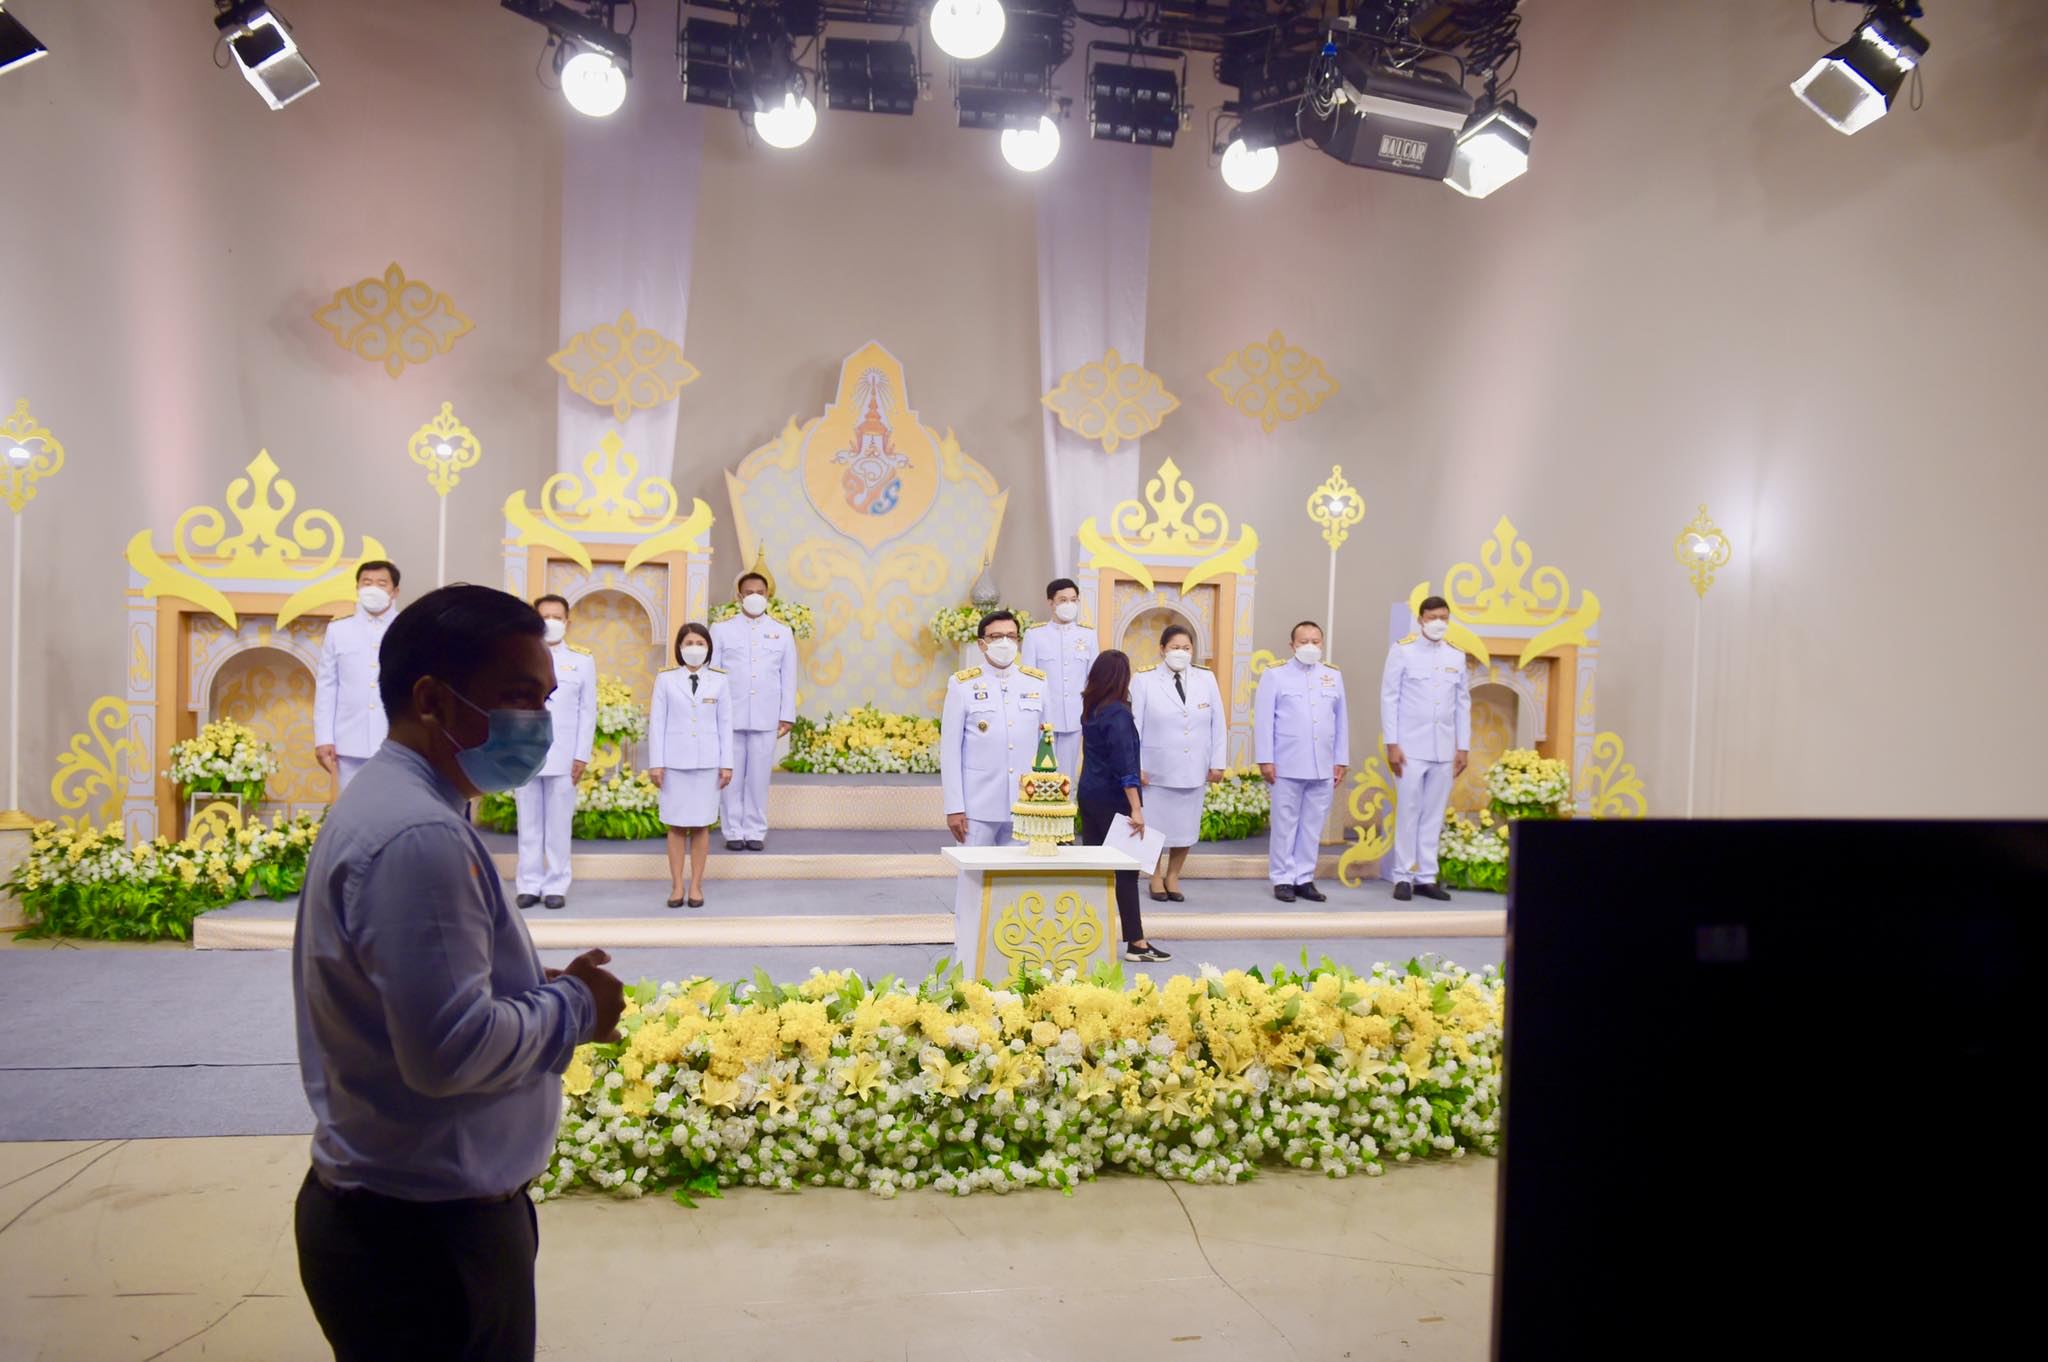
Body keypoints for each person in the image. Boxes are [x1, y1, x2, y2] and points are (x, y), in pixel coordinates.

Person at [292, 582, 627, 1362]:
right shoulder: (418, 835)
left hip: (411, 1214)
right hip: (423, 1240)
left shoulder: (402, 803)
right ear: (432, 699)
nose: (537, 722)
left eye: (546, 700)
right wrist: (576, 1006)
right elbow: (448, 1051)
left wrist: (525, 986)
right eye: (517, 697)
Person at [1077, 650, 1170, 963]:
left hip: (1089, 794)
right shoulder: (1118, 713)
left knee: (1095, 869)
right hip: (1113, 798)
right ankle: (1137, 943)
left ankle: (1087, 938)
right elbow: (1124, 764)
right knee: (1127, 872)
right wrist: (1136, 808)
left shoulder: (1091, 709)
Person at [1380, 595, 1471, 902]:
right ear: (1420, 620)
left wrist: (1463, 746)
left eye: (1443, 617)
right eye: (1432, 618)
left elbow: (1462, 704)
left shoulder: (1456, 656)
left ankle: (1426, 877)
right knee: (1408, 811)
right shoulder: (1403, 651)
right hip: (1409, 747)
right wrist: (1392, 743)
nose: (1438, 623)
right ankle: (1403, 876)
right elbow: (1389, 698)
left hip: (1443, 748)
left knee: (1434, 814)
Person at [1254, 621, 1350, 903]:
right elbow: (1264, 721)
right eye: (1304, 641)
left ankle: (1304, 878)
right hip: (1286, 763)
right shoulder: (1275, 675)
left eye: (1315, 641)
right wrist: (1265, 759)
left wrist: (1341, 759)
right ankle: (1283, 878)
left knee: (1312, 826)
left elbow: (1341, 721)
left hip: (1323, 764)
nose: (1310, 646)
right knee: (1284, 825)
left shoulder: (1333, 676)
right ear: (1292, 645)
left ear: (1322, 643)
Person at [1131, 623, 1228, 902]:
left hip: (1193, 767)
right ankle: (1155, 876)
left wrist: (1218, 762)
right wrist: (1135, 766)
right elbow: (1134, 728)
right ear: (1162, 649)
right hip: (1155, 770)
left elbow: (1218, 723)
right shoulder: (1144, 680)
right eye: (1175, 647)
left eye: (1186, 648)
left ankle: (1173, 875)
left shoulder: (1206, 679)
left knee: (1185, 829)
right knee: (1153, 829)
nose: (1181, 652)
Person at [513, 595, 596, 911]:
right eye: (545, 616)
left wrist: (581, 754)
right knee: (529, 823)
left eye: (557, 617)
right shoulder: (519, 658)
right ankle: (529, 884)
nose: (551, 622)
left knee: (559, 825)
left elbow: (588, 711)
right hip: (526, 753)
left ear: (567, 622)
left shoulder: (582, 662)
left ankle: (556, 884)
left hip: (564, 755)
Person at [940, 610, 1048, 846]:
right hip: (977, 806)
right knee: (974, 870)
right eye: (997, 637)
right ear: (982, 644)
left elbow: (1047, 744)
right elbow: (950, 751)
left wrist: (1046, 800)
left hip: (1025, 803)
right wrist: (954, 806)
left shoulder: (1037, 683)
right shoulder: (962, 685)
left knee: (1020, 870)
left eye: (1011, 636)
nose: (1005, 642)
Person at [710, 567, 796, 851]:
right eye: (749, 592)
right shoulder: (721, 630)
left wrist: (787, 715)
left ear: (768, 595)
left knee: (759, 778)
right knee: (730, 777)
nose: (755, 597)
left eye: (760, 592)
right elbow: (713, 675)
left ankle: (755, 830)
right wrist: (713, 713)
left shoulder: (782, 632)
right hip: (730, 716)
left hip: (766, 716)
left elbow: (788, 676)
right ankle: (733, 831)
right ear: (739, 596)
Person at [648, 623, 733, 909]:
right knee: (675, 825)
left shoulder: (719, 681)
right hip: (674, 763)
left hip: (708, 763)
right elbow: (657, 723)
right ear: (679, 647)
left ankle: (696, 885)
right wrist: (656, 763)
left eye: (700, 643)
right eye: (689, 643)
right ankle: (676, 886)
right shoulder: (666, 679)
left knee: (700, 826)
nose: (694, 648)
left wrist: (727, 764)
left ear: (708, 648)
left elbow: (725, 724)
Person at [314, 560, 401, 792]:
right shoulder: (338, 630)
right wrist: (323, 738)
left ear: (395, 592)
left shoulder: (408, 629)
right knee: (352, 808)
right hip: (349, 742)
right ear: (357, 588)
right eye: (367, 582)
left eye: (381, 583)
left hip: (396, 740)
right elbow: (327, 687)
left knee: (393, 806)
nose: (373, 589)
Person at [1021, 577, 1098, 779]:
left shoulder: (1088, 635)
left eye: (1073, 600)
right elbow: (1028, 679)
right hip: (1042, 717)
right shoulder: (1035, 635)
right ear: (1051, 603)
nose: (1069, 605)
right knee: (1040, 774)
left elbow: (1094, 678)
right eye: (1063, 600)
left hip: (1075, 716)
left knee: (1068, 777)